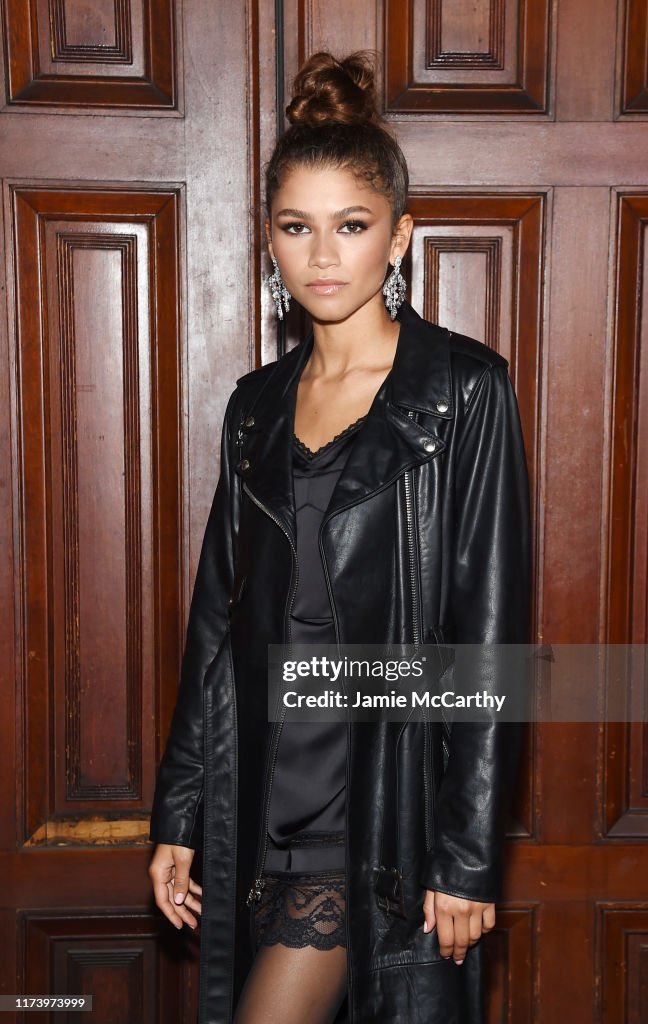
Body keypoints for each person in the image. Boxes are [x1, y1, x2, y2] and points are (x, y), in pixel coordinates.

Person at [148, 51, 531, 1024]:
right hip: (265, 797)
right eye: (296, 227)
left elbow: (488, 639)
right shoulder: (254, 408)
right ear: (268, 240)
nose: (323, 255)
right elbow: (213, 627)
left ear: (398, 235)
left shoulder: (459, 394)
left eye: (350, 226)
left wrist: (468, 853)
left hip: (382, 809)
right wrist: (181, 812)